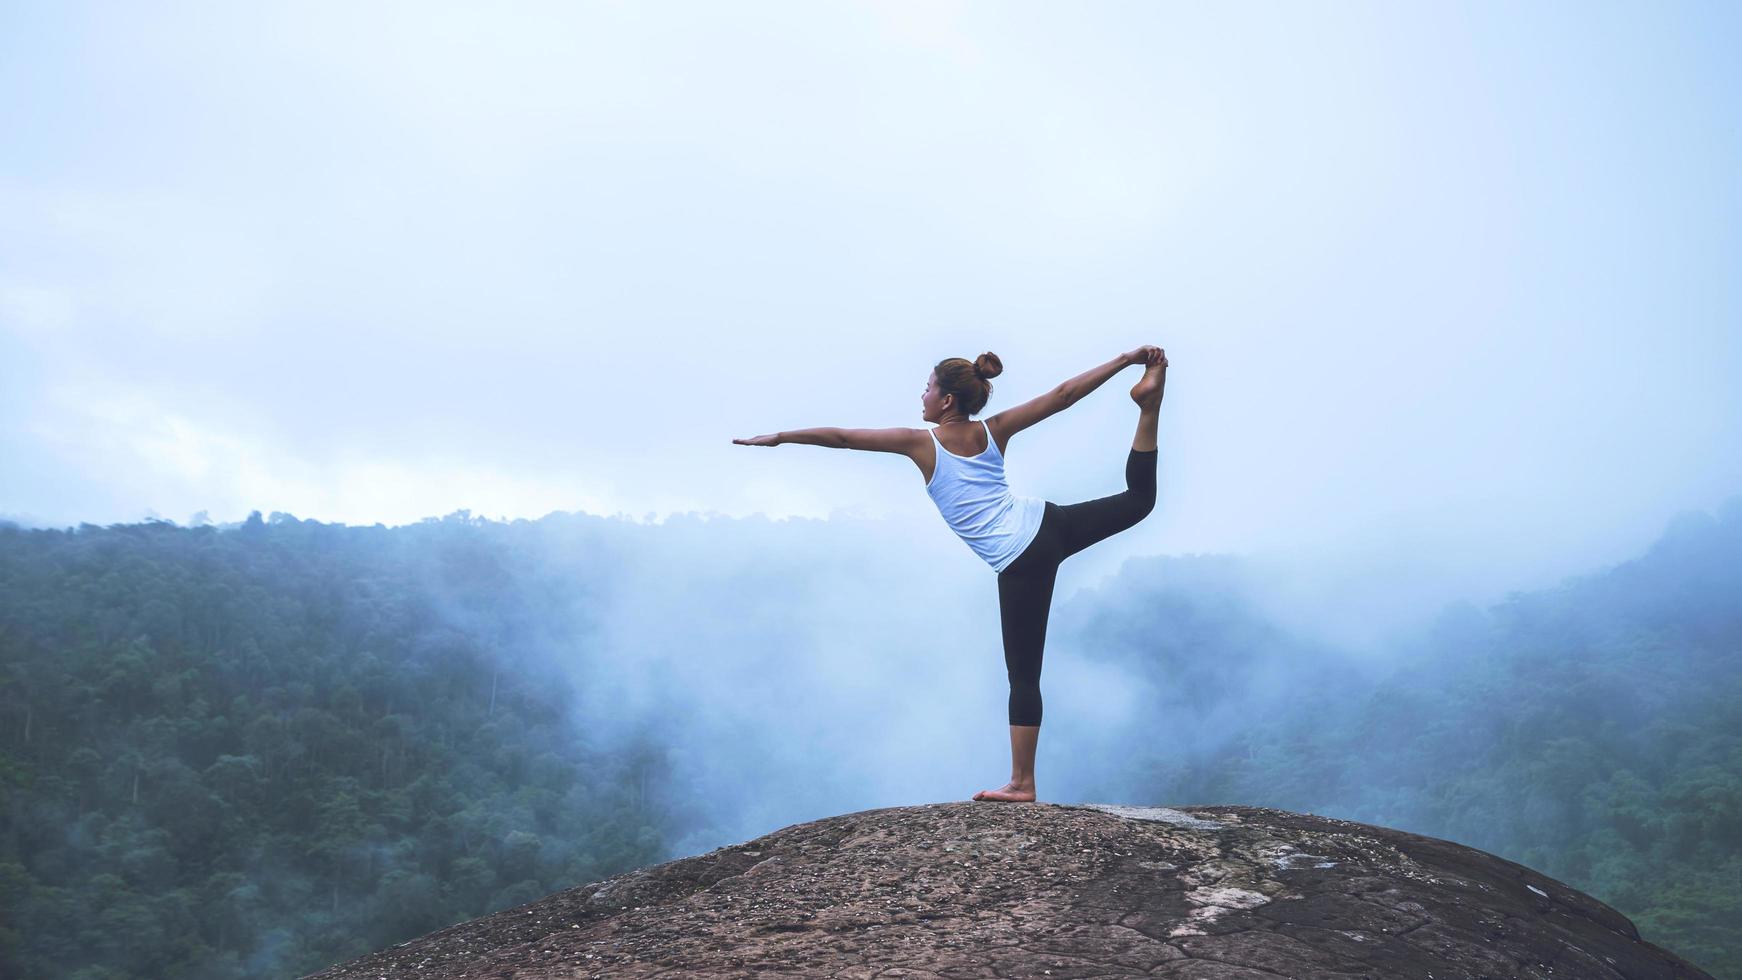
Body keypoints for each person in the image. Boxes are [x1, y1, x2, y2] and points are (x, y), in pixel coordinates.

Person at [733, 344, 1168, 802]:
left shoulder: (921, 444)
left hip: (1020, 558)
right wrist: (1125, 361)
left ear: (946, 401)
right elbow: (1062, 396)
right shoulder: (994, 429)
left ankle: (1022, 783)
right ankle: (1149, 407)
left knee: (1023, 676)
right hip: (1048, 523)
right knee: (1139, 501)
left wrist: (780, 437)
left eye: (927, 388)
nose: (921, 396)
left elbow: (843, 438)